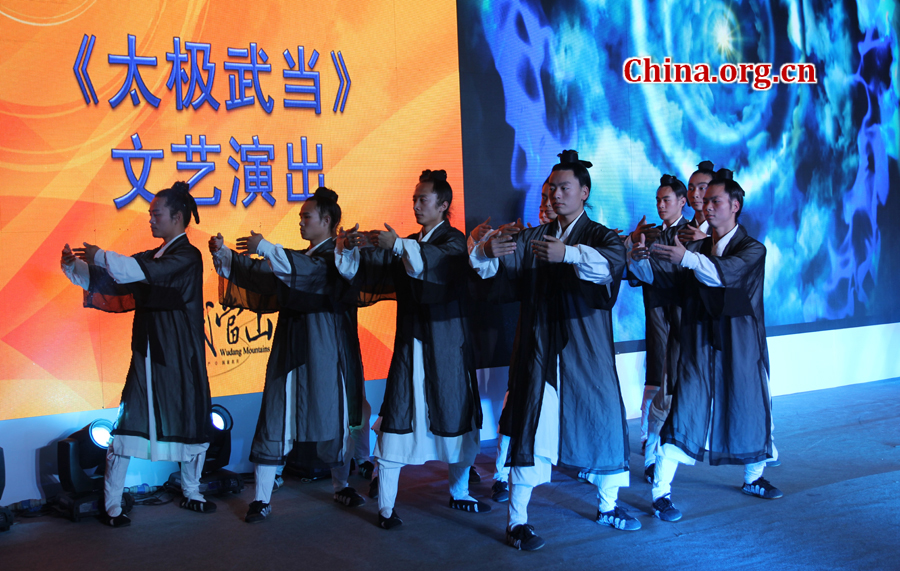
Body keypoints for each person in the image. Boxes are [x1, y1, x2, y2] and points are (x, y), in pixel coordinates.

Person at [470, 150, 634, 552]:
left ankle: (608, 505)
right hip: (541, 353)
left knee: (604, 422)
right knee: (535, 433)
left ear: (584, 192)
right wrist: (484, 252)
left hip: (587, 354)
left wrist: (570, 254)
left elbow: (609, 267)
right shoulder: (534, 237)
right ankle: (518, 521)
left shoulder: (600, 236)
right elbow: (491, 269)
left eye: (564, 188)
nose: (556, 195)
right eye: (551, 189)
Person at [628, 169, 781, 523]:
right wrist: (641, 260)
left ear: (735, 206)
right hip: (697, 342)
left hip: (739, 343)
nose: (706, 206)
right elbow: (665, 280)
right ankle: (661, 493)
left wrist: (688, 259)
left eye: (715, 200)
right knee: (684, 409)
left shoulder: (751, 249)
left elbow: (723, 273)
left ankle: (753, 478)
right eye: (704, 199)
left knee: (750, 406)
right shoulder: (694, 247)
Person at [336, 169, 486, 530]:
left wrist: (399, 246)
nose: (416, 205)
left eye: (423, 199)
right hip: (411, 347)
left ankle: (461, 491)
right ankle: (386, 508)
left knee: (456, 417)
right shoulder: (412, 243)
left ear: (443, 204)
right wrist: (352, 249)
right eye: (414, 199)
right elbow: (382, 268)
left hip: (447, 348)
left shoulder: (452, 242)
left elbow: (431, 261)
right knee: (398, 417)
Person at [209, 187, 368, 523]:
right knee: (276, 416)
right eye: (300, 217)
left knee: (334, 416)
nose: (301, 222)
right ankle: (261, 498)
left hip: (327, 349)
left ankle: (342, 485)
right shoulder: (299, 261)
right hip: (292, 346)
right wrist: (227, 256)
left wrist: (266, 248)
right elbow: (265, 275)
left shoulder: (335, 261)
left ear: (327, 221)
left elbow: (309, 271)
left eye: (306, 216)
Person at [60, 181, 214, 527]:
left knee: (190, 421)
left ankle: (193, 491)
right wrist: (78, 267)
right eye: (150, 214)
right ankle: (112, 505)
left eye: (155, 214)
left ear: (177, 217)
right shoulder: (153, 258)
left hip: (179, 356)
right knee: (128, 425)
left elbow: (135, 272)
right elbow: (118, 280)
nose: (151, 220)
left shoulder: (187, 256)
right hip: (148, 355)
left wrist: (100, 255)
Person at [467, 175, 559, 504]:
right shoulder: (521, 241)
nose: (550, 203)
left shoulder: (584, 242)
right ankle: (504, 474)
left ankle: (600, 489)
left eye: (558, 194)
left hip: (568, 343)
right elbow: (489, 273)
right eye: (545, 197)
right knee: (516, 402)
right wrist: (483, 248)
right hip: (529, 335)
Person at [623, 175, 689, 482]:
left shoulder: (692, 235)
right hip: (656, 314)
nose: (661, 205)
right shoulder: (647, 234)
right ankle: (651, 456)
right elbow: (636, 273)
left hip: (684, 317)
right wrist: (634, 252)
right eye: (658, 201)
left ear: (682, 202)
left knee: (678, 387)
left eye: (667, 200)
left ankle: (671, 449)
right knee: (656, 381)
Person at [676, 160, 715, 243]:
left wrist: (706, 240)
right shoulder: (677, 232)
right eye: (691, 189)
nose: (695, 194)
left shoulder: (726, 232)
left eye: (702, 188)